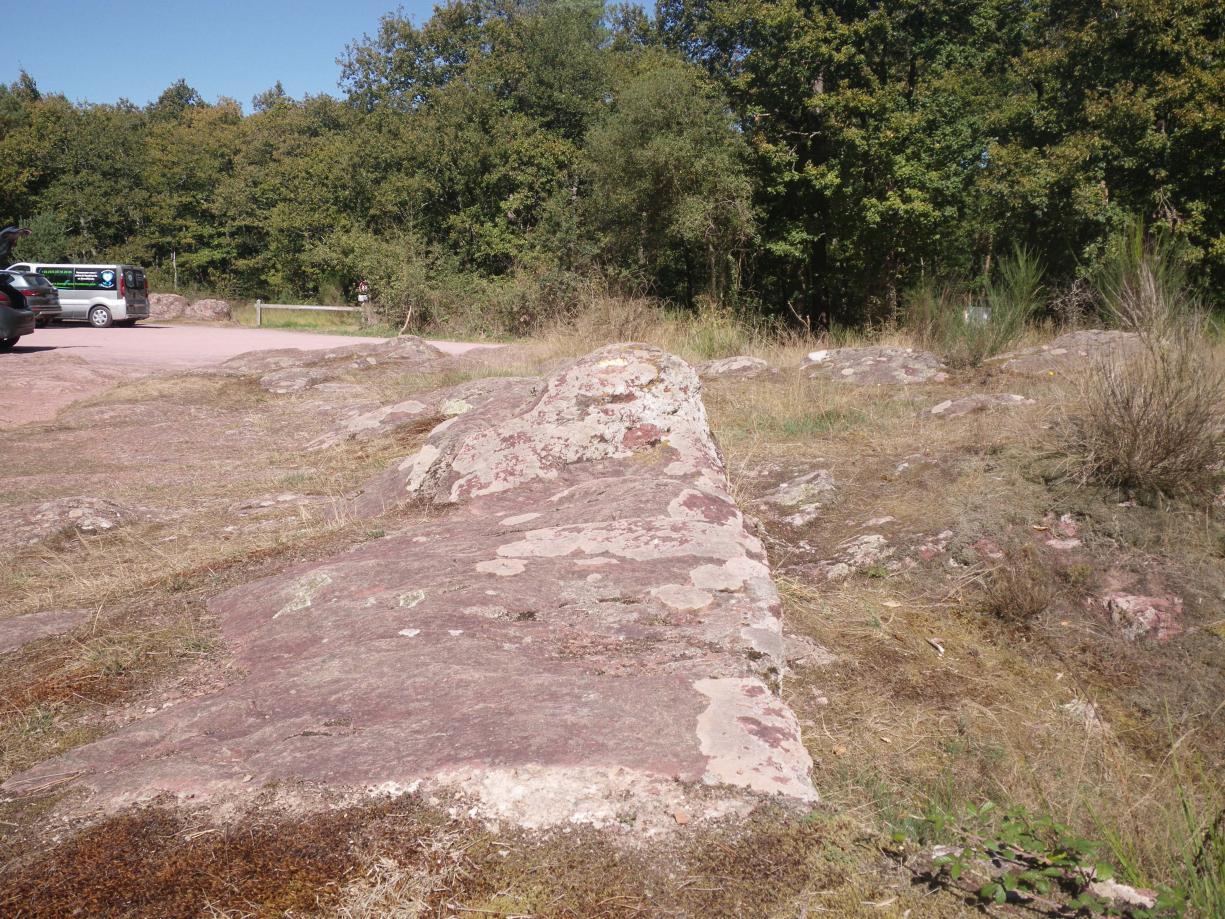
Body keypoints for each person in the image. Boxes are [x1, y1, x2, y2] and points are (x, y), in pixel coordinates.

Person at [0, 226, 30, 311]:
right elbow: (5, 234)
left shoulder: (7, 245)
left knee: (18, 297)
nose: (16, 241)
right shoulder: (3, 239)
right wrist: (20, 232)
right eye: (15, 237)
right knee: (16, 297)